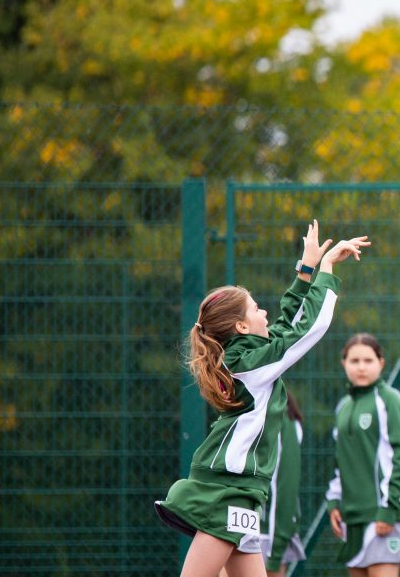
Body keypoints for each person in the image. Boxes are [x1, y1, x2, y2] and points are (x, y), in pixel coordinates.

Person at [155, 220, 368, 577]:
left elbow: (285, 328)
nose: (264, 312)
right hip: (225, 488)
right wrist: (327, 271)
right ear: (240, 327)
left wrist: (306, 270)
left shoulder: (248, 358)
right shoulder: (247, 364)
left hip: (242, 493)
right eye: (256, 309)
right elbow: (304, 331)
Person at [325, 333, 400, 576]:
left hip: (384, 513)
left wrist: (389, 508)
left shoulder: (390, 401)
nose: (361, 367)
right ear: (343, 363)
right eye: (354, 361)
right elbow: (340, 463)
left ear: (381, 363)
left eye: (368, 360)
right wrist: (335, 500)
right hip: (353, 517)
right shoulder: (343, 407)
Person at [262, 391, 307, 577]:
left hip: (265, 534)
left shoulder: (281, 422)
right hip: (235, 526)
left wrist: (276, 548)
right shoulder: (239, 415)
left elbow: (286, 487)